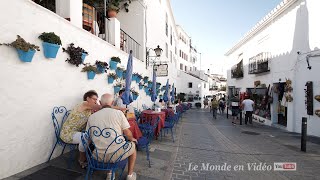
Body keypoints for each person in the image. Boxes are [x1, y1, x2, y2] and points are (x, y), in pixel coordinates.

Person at [86, 93, 137, 180]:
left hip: (97, 155)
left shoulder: (92, 117)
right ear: (112, 102)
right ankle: (130, 175)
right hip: (116, 155)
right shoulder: (119, 113)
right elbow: (127, 133)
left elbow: (89, 137)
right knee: (133, 147)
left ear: (100, 103)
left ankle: (110, 174)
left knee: (106, 142)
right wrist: (132, 139)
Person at [60, 90, 101, 168]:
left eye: (97, 99)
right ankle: (82, 159)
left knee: (93, 136)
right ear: (88, 98)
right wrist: (120, 108)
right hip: (67, 133)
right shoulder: (84, 104)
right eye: (94, 99)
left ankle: (92, 157)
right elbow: (101, 107)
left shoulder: (89, 109)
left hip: (75, 133)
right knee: (86, 137)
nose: (96, 101)